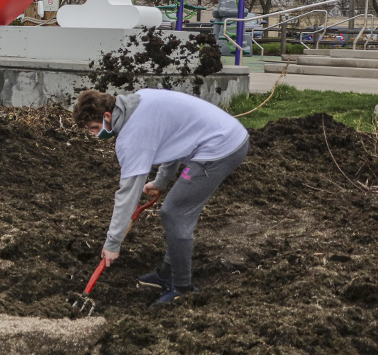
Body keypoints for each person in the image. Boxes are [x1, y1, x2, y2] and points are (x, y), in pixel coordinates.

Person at [73, 88, 250, 305]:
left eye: (94, 127)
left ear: (107, 116)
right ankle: (168, 273)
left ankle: (182, 287)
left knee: (174, 213)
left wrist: (112, 243)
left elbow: (128, 194)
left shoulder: (132, 137)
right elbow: (172, 138)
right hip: (222, 135)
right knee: (174, 211)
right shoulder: (140, 100)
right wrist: (161, 181)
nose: (94, 134)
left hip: (220, 149)